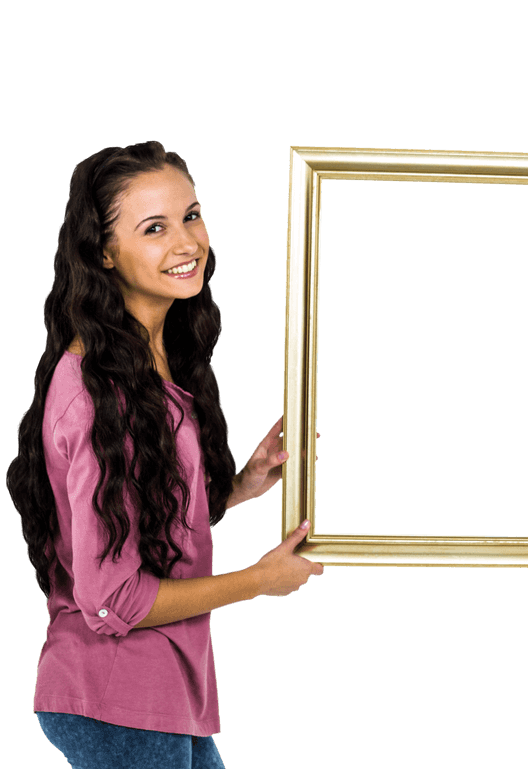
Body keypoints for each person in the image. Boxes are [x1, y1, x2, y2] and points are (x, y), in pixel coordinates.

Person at [6, 140, 325, 769]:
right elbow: (111, 599)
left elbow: (147, 515)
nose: (187, 242)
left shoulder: (151, 361)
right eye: (154, 228)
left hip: (161, 695)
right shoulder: (101, 392)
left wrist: (242, 483)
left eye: (192, 215)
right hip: (116, 699)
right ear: (103, 251)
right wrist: (262, 581)